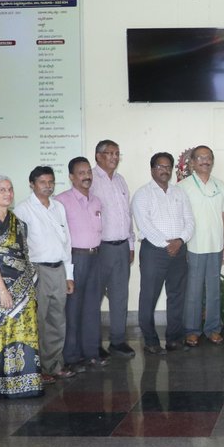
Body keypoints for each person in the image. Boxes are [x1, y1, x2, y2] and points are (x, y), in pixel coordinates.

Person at [0, 175, 43, 399]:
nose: (7, 193)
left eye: (10, 189)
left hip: (23, 288)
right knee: (3, 336)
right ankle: (3, 386)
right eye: (2, 190)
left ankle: (25, 382)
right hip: (1, 288)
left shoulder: (16, 220)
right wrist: (3, 291)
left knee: (25, 334)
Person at [14, 166, 74, 383]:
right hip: (37, 271)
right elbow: (19, 246)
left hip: (58, 270)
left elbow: (67, 242)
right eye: (42, 182)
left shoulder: (59, 207)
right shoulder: (22, 210)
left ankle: (54, 365)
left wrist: (69, 275)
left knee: (57, 321)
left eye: (51, 182)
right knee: (37, 321)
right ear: (32, 184)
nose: (47, 186)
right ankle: (35, 368)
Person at [133, 151, 194, 354]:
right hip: (154, 252)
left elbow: (190, 221)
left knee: (177, 295)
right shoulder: (142, 194)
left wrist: (180, 241)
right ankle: (150, 341)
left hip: (179, 249)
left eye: (168, 167)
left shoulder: (180, 193)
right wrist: (167, 244)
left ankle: (174, 339)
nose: (165, 170)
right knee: (149, 296)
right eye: (160, 167)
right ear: (152, 169)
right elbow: (144, 224)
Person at [178, 145, 224, 346]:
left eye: (208, 157)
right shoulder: (183, 186)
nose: (205, 161)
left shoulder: (220, 185)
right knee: (194, 290)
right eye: (200, 158)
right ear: (192, 162)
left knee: (214, 290)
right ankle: (192, 330)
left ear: (213, 161)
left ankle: (213, 329)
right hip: (194, 246)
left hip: (216, 245)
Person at [55, 157, 103, 372]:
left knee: (92, 307)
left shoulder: (96, 201)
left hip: (96, 257)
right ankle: (72, 356)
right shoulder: (61, 201)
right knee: (72, 308)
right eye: (81, 172)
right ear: (72, 177)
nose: (86, 176)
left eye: (88, 172)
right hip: (74, 258)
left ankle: (91, 353)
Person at [89, 139, 135, 359]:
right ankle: (94, 344)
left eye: (117, 153)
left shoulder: (120, 180)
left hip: (122, 246)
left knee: (120, 297)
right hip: (100, 249)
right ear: (98, 156)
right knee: (94, 297)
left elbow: (127, 215)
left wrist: (131, 243)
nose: (115, 157)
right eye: (110, 153)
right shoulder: (90, 179)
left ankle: (118, 341)